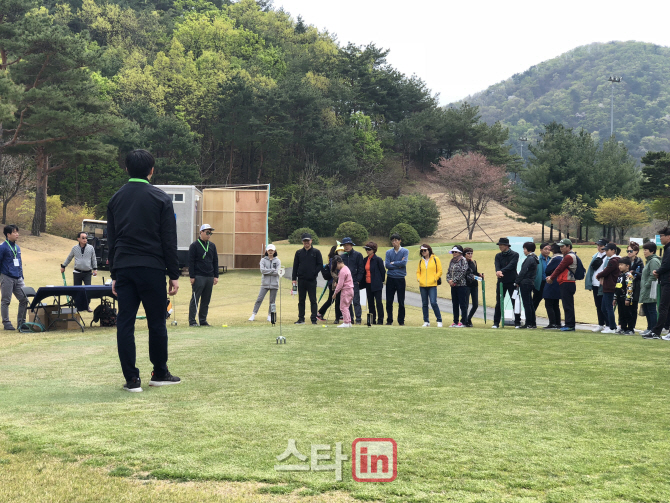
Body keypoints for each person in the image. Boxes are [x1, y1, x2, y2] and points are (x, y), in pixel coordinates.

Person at [107, 149, 180, 392]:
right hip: (152, 268)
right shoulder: (160, 198)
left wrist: (115, 274)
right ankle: (159, 372)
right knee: (156, 322)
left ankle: (132, 379)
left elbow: (113, 239)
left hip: (125, 267)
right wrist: (174, 274)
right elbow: (168, 239)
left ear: (126, 169)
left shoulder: (115, 199)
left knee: (125, 323)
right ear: (151, 170)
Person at [188, 224, 219, 327]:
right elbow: (191, 262)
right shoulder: (194, 245)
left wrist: (216, 276)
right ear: (201, 232)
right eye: (207, 232)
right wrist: (192, 276)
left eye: (210, 233)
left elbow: (215, 261)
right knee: (195, 299)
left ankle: (203, 320)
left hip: (209, 276)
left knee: (206, 299)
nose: (209, 234)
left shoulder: (212, 246)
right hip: (198, 276)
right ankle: (192, 321)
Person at [0, 224, 28, 331]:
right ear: (8, 234)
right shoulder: (2, 247)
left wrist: (21, 276)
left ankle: (21, 322)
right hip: (6, 277)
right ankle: (6, 323)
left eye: (17, 232)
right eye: (15, 232)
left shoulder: (17, 247)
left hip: (18, 277)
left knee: (24, 299)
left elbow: (19, 263)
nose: (17, 234)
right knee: (6, 301)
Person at [546, 238, 578, 332]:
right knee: (567, 304)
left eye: (563, 246)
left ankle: (570, 325)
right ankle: (569, 324)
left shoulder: (569, 257)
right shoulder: (568, 255)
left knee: (567, 305)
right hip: (567, 282)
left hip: (567, 282)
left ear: (568, 246)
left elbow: (559, 268)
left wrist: (551, 277)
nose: (561, 248)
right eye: (560, 247)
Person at [292, 233, 323, 325]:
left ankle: (314, 319)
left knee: (313, 300)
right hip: (301, 279)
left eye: (308, 241)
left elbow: (320, 265)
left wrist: (314, 273)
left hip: (311, 280)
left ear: (311, 241)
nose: (306, 243)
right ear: (302, 242)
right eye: (305, 241)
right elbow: (295, 266)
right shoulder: (299, 253)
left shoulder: (316, 252)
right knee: (301, 300)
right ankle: (301, 318)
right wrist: (294, 278)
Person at [492, 237, 520, 329]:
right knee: (499, 302)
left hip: (512, 281)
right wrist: (498, 271)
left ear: (507, 246)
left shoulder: (515, 254)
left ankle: (517, 322)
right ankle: (496, 322)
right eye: (499, 245)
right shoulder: (498, 256)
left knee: (515, 301)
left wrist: (501, 271)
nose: (500, 246)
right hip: (501, 281)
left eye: (501, 245)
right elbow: (497, 265)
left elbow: (512, 265)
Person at [249, 244, 280, 322]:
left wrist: (268, 270)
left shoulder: (277, 261)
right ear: (266, 251)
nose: (270, 252)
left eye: (272, 250)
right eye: (269, 250)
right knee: (259, 299)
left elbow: (278, 272)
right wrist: (272, 270)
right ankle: (253, 314)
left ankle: (270, 315)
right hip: (264, 284)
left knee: (272, 301)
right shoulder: (263, 260)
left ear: (274, 251)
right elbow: (262, 271)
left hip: (274, 284)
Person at [595, 243, 620, 334]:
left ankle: (612, 327)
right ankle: (611, 325)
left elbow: (606, 271)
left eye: (607, 250)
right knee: (604, 308)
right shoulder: (613, 260)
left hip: (610, 286)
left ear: (613, 250)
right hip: (607, 286)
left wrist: (598, 275)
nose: (606, 252)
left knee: (608, 307)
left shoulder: (614, 260)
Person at [585, 238, 609, 332]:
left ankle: (608, 324)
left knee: (605, 306)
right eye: (598, 245)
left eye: (601, 246)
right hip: (595, 283)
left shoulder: (608, 257)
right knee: (598, 305)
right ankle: (600, 323)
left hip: (603, 284)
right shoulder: (595, 256)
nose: (599, 247)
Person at [650, 228, 670, 340]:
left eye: (662, 235)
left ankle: (656, 332)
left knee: (663, 307)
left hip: (668, 282)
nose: (660, 238)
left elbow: (667, 265)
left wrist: (657, 271)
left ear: (668, 237)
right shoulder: (667, 249)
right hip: (666, 280)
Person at [417, 244, 443, 327]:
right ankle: (426, 321)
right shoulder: (421, 261)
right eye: (422, 251)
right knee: (424, 304)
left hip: (432, 284)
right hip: (423, 285)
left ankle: (439, 320)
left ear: (429, 250)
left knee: (433, 302)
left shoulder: (435, 259)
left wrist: (435, 278)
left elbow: (440, 271)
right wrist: (419, 279)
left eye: (425, 250)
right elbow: (418, 272)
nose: (423, 252)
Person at [385, 233, 408, 326]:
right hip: (390, 278)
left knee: (401, 301)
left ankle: (401, 320)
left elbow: (404, 263)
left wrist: (393, 263)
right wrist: (398, 265)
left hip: (400, 278)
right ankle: (389, 320)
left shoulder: (405, 251)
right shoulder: (388, 252)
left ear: (400, 241)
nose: (394, 242)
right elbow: (387, 265)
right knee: (389, 301)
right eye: (393, 240)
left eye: (396, 240)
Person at [340, 237, 364, 324]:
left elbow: (361, 269)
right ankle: (350, 319)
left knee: (356, 301)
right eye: (345, 245)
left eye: (348, 245)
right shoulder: (342, 256)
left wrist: (358, 280)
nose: (346, 247)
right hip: (346, 283)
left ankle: (358, 319)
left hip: (354, 281)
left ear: (351, 245)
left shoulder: (358, 255)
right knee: (347, 302)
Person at [360, 241, 385, 325]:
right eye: (366, 249)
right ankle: (372, 320)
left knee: (378, 302)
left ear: (373, 250)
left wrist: (380, 281)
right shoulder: (365, 259)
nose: (367, 251)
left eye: (369, 249)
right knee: (370, 303)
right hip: (368, 284)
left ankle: (380, 320)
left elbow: (382, 272)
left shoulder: (378, 259)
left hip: (376, 284)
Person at [640, 242, 661, 338]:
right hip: (647, 288)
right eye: (643, 250)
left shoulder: (653, 261)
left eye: (646, 250)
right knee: (647, 308)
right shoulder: (649, 261)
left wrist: (647, 284)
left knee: (651, 309)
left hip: (651, 288)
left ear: (652, 251)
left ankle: (653, 328)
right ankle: (649, 328)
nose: (644, 252)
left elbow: (654, 275)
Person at [516, 242, 539, 329]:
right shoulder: (535, 258)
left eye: (524, 249)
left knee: (527, 304)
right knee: (530, 304)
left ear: (528, 249)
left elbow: (523, 271)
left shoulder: (529, 259)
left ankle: (528, 323)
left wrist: (517, 281)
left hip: (525, 282)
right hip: (530, 282)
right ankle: (532, 323)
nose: (524, 251)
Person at [447, 245, 470, 328]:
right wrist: (449, 280)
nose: (454, 253)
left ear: (460, 252)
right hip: (453, 286)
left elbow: (463, 272)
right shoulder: (452, 261)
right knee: (455, 304)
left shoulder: (463, 260)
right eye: (453, 252)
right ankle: (455, 321)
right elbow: (448, 272)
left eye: (455, 252)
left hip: (461, 285)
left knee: (462, 304)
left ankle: (463, 321)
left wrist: (454, 280)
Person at [542, 243, 563, 329]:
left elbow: (548, 269)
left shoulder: (556, 258)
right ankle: (557, 322)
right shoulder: (562, 258)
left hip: (552, 283)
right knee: (555, 304)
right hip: (558, 283)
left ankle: (552, 322)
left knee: (549, 303)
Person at [613, 256, 636, 335]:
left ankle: (630, 329)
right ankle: (623, 327)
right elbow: (617, 287)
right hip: (620, 297)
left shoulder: (629, 276)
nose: (620, 266)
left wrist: (628, 298)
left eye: (622, 265)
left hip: (626, 298)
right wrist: (615, 298)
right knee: (621, 313)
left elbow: (630, 287)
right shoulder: (620, 276)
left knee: (628, 314)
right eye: (619, 265)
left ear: (627, 266)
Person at [316, 245, 338, 322]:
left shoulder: (332, 259)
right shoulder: (334, 259)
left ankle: (340, 315)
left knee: (334, 299)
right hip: (333, 282)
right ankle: (319, 313)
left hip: (332, 281)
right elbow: (333, 271)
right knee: (331, 299)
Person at [625, 241, 644, 331]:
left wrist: (634, 273)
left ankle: (631, 327)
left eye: (631, 251)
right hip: (625, 286)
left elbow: (642, 275)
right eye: (628, 251)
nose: (629, 253)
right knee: (624, 307)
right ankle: (623, 326)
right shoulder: (625, 260)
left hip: (635, 287)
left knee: (633, 308)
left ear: (636, 251)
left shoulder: (639, 261)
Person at [331, 255, 353, 328]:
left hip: (346, 291)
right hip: (350, 290)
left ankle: (346, 322)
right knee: (346, 306)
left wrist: (335, 293)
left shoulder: (342, 271)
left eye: (336, 265)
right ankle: (349, 322)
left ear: (338, 262)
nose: (336, 268)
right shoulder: (346, 268)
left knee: (343, 307)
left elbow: (340, 285)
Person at [464, 247, 483, 327]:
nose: (470, 255)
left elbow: (475, 272)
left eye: (471, 253)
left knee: (475, 305)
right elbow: (466, 274)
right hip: (466, 285)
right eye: (468, 253)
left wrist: (479, 275)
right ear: (464, 254)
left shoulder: (473, 262)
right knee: (466, 304)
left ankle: (468, 318)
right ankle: (465, 320)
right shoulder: (463, 262)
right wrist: (474, 276)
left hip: (474, 285)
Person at [533, 242, 551, 311]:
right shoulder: (536, 259)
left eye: (549, 249)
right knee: (535, 302)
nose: (547, 251)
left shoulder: (551, 259)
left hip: (549, 284)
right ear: (540, 250)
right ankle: (530, 319)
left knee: (549, 303)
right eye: (545, 249)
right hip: (540, 284)